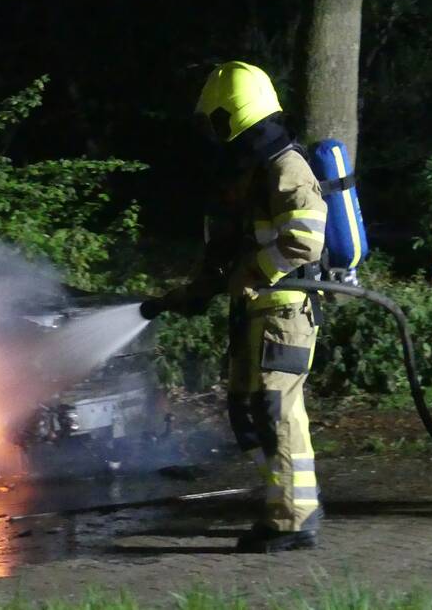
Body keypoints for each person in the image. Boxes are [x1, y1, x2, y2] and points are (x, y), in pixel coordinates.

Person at [141, 61, 327, 552]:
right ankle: (279, 506)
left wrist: (253, 273)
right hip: (256, 314)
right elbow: (224, 252)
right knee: (249, 411)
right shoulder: (245, 174)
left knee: (275, 409)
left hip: (285, 314)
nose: (211, 132)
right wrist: (188, 294)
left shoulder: (287, 166)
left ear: (233, 113)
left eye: (215, 119)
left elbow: (306, 241)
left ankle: (295, 519)